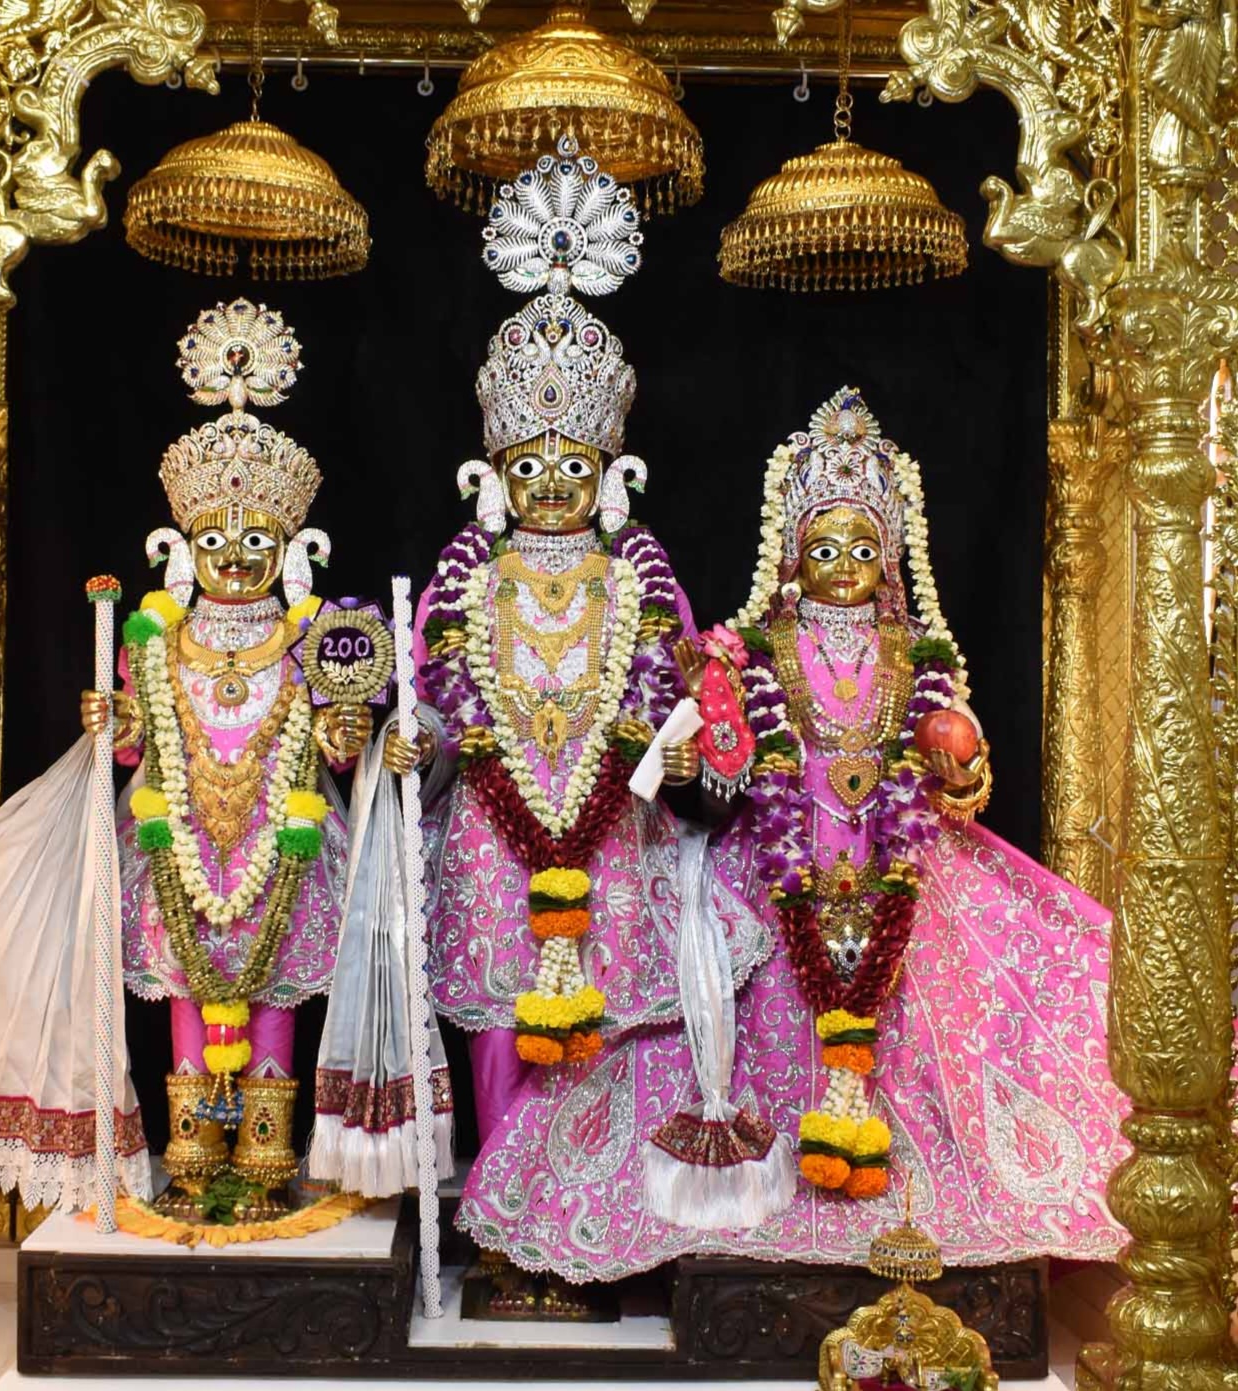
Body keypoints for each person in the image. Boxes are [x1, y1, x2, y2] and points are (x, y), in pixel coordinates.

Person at [453, 387, 1125, 1279]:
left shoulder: (915, 652)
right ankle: (749, 1188)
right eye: (823, 549)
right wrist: (704, 761)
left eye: (862, 549)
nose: (842, 567)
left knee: (948, 1020)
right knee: (726, 1011)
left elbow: (962, 776)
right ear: (791, 556)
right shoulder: (753, 651)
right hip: (775, 866)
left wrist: (958, 768)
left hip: (898, 864)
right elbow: (725, 771)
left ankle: (904, 1184)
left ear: (891, 559)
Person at [384, 137, 776, 1309]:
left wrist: (691, 743)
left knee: (603, 1027)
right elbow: (438, 696)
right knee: (498, 1022)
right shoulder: (462, 579)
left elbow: (682, 701)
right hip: (491, 831)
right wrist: (417, 743)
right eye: (529, 461)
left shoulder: (639, 580)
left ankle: (587, 1233)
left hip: (613, 832)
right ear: (494, 470)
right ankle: (504, 1241)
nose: (551, 481)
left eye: (571, 461)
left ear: (607, 468)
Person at [0, 299, 372, 1211]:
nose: (236, 559)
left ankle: (265, 1166)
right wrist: (111, 718)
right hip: (177, 849)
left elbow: (334, 749)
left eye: (256, 542)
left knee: (274, 1001)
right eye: (214, 541)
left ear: (292, 547)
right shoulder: (158, 637)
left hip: (283, 853)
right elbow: (139, 738)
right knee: (184, 999)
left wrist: (345, 733)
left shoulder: (309, 635)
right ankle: (194, 1159)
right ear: (180, 547)